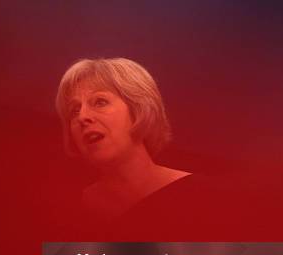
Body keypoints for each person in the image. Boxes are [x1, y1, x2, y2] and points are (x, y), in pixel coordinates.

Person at [55, 58, 191, 220]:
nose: (82, 117)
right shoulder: (67, 212)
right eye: (75, 111)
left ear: (139, 109)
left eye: (100, 102)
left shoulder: (203, 196)